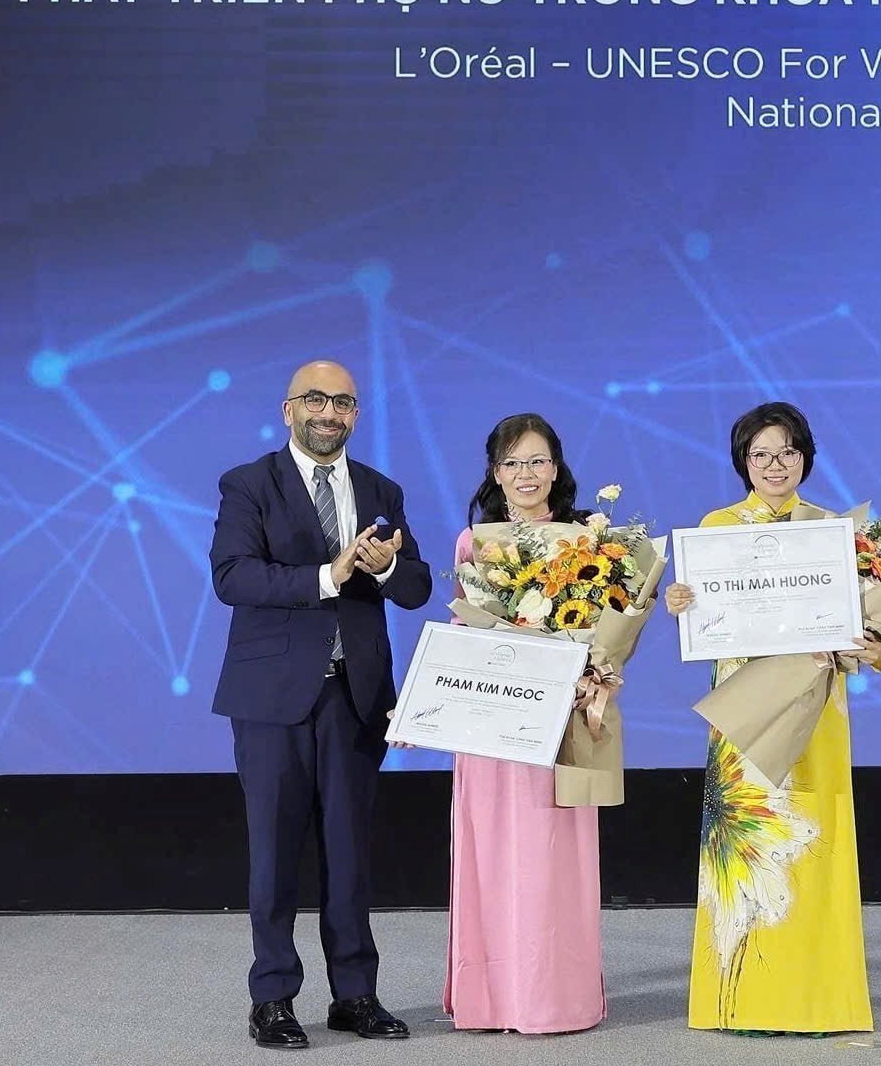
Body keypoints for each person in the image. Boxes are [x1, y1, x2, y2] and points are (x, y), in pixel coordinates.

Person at [210, 360, 433, 1049]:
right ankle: (273, 998)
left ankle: (355, 995)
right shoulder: (249, 483)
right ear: (289, 410)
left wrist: (385, 567)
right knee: (275, 853)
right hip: (271, 698)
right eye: (315, 399)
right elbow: (233, 576)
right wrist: (328, 575)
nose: (329, 412)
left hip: (355, 698)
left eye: (343, 402)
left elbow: (417, 587)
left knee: (349, 853)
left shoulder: (381, 489)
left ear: (356, 414)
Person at [664, 401, 881, 1034]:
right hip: (746, 712)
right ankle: (744, 999)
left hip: (818, 713)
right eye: (759, 454)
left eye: (787, 451)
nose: (774, 465)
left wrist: (872, 645)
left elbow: (875, 641)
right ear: (743, 462)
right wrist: (683, 602)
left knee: (816, 845)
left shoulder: (833, 533)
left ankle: (818, 1001)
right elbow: (708, 626)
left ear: (805, 458)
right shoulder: (716, 528)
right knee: (751, 849)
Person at [440, 412, 606, 1033]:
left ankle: (556, 997)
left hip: (561, 723)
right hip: (492, 724)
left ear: (555, 468)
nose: (525, 474)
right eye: (512, 463)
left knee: (555, 854)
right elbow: (462, 630)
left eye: (537, 461)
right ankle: (491, 997)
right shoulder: (474, 543)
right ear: (495, 473)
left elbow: (607, 627)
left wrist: (597, 668)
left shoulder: (588, 541)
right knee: (490, 852)